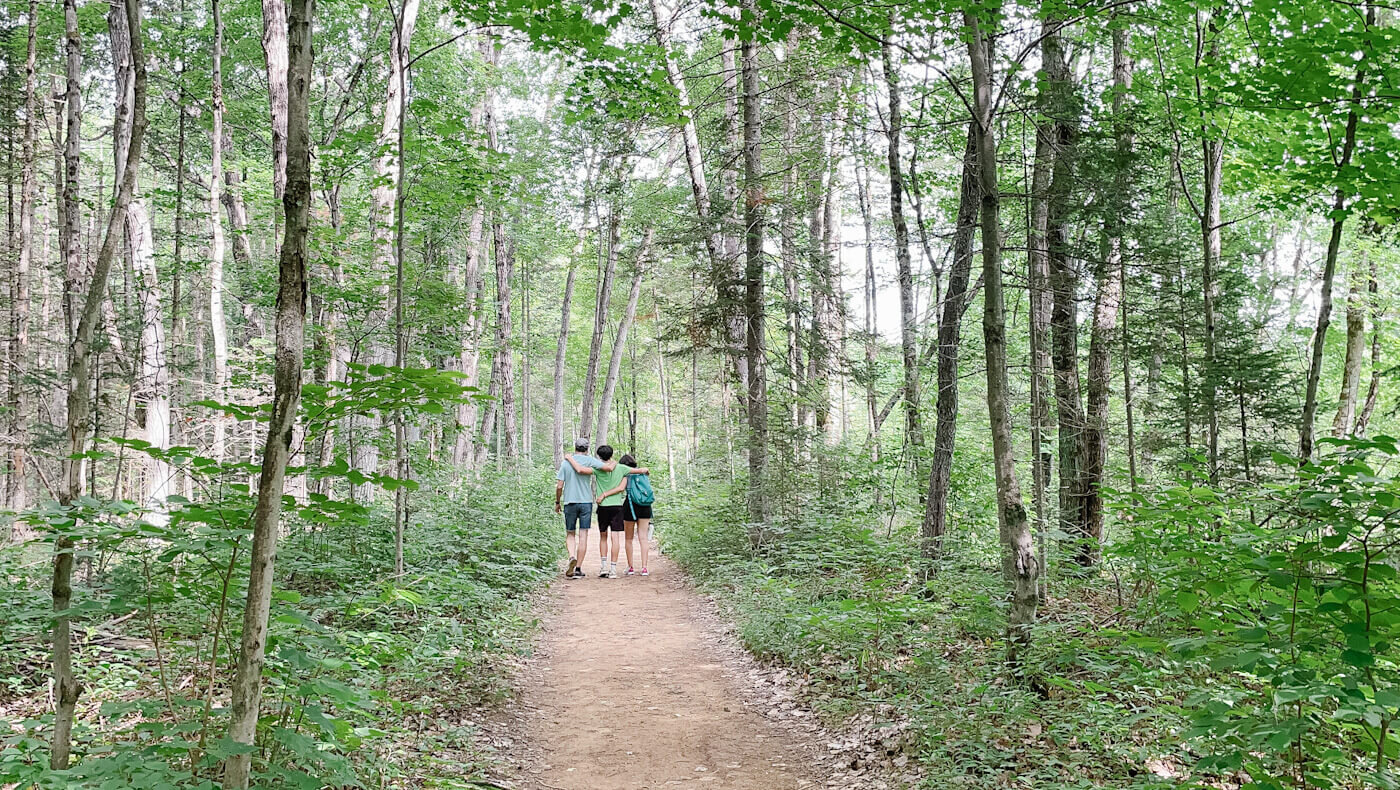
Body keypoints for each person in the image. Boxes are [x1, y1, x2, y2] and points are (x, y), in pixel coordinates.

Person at [590, 445, 648, 578]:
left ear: (599, 456)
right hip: (617, 506)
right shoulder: (622, 468)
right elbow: (641, 470)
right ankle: (614, 569)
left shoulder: (598, 468)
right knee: (615, 537)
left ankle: (603, 567)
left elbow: (582, 470)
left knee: (603, 537)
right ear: (612, 454)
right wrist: (646, 470)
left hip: (603, 506)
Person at [554, 439, 608, 579]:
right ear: (587, 448)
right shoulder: (590, 461)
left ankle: (572, 556)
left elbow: (559, 486)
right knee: (583, 535)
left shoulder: (566, 463)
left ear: (575, 447)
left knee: (570, 533)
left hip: (570, 502)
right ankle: (578, 569)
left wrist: (557, 502)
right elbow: (605, 467)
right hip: (586, 502)